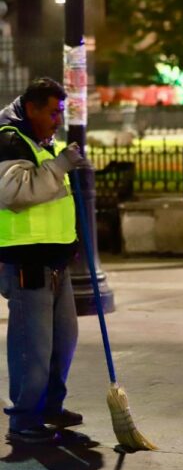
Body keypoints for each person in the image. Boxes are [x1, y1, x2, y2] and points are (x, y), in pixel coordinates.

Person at [0, 77, 86, 444]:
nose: (57, 120)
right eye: (52, 112)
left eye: (61, 112)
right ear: (31, 107)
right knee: (32, 345)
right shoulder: (8, 139)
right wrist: (61, 167)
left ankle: (50, 405)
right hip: (26, 261)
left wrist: (72, 240)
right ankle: (24, 420)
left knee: (62, 339)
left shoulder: (41, 141)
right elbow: (15, 192)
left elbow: (54, 198)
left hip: (55, 259)